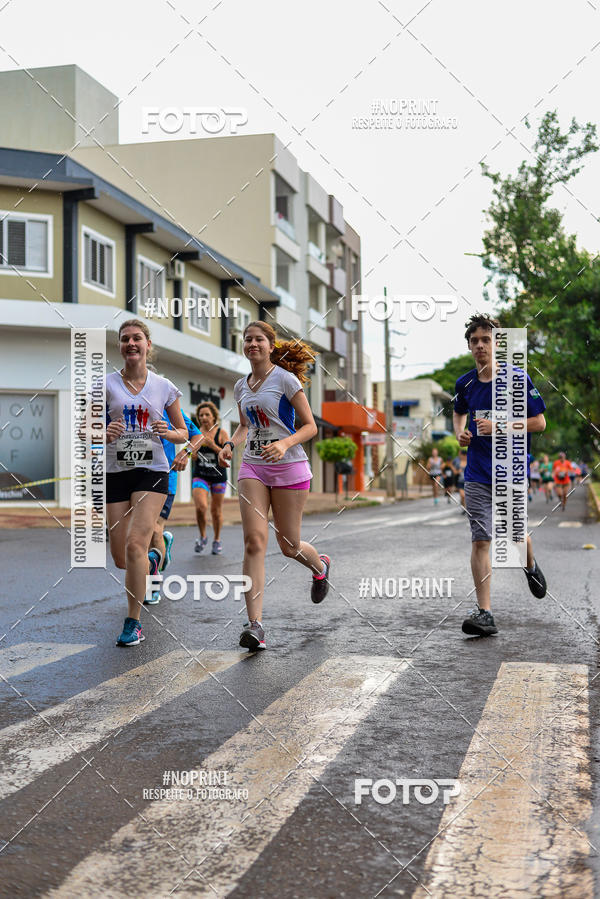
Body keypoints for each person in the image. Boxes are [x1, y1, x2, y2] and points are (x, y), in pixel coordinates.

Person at [217, 321, 330, 651]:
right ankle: (255, 625)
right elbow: (245, 425)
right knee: (254, 541)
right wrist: (231, 444)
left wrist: (284, 444)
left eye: (259, 339)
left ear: (270, 346)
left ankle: (320, 567)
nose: (253, 343)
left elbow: (310, 427)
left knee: (289, 545)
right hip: (253, 468)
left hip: (290, 469)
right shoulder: (241, 385)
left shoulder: (285, 379)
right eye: (248, 339)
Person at [453, 313, 547, 638]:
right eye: (474, 341)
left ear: (496, 344)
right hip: (477, 472)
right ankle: (485, 614)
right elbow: (458, 412)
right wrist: (459, 434)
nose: (480, 345)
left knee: (514, 537)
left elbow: (539, 423)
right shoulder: (464, 383)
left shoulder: (517, 379)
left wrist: (500, 426)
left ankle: (530, 565)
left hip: (512, 469)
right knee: (481, 540)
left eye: (486, 340)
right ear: (469, 346)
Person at [103, 319, 188, 646]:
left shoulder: (163, 386)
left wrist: (169, 432)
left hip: (153, 471)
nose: (131, 344)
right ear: (121, 347)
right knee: (122, 557)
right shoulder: (105, 385)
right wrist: (102, 433)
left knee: (136, 543)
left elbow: (184, 433)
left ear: (147, 345)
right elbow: (84, 431)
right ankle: (156, 557)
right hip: (116, 472)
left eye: (137, 338)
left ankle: (132, 622)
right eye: (125, 339)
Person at [144, 405, 203, 605]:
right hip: (132, 480)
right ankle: (162, 551)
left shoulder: (167, 409)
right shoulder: (126, 407)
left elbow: (198, 436)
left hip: (164, 478)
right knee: (136, 535)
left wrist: (185, 453)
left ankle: (153, 586)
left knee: (153, 529)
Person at [192, 401, 229, 555]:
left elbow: (227, 455)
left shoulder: (222, 433)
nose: (204, 417)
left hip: (218, 476)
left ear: (214, 417)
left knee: (216, 511)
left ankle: (217, 539)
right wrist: (196, 448)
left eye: (207, 414)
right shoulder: (196, 433)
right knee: (201, 507)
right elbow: (192, 457)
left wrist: (212, 445)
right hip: (200, 475)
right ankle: (202, 536)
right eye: (201, 415)